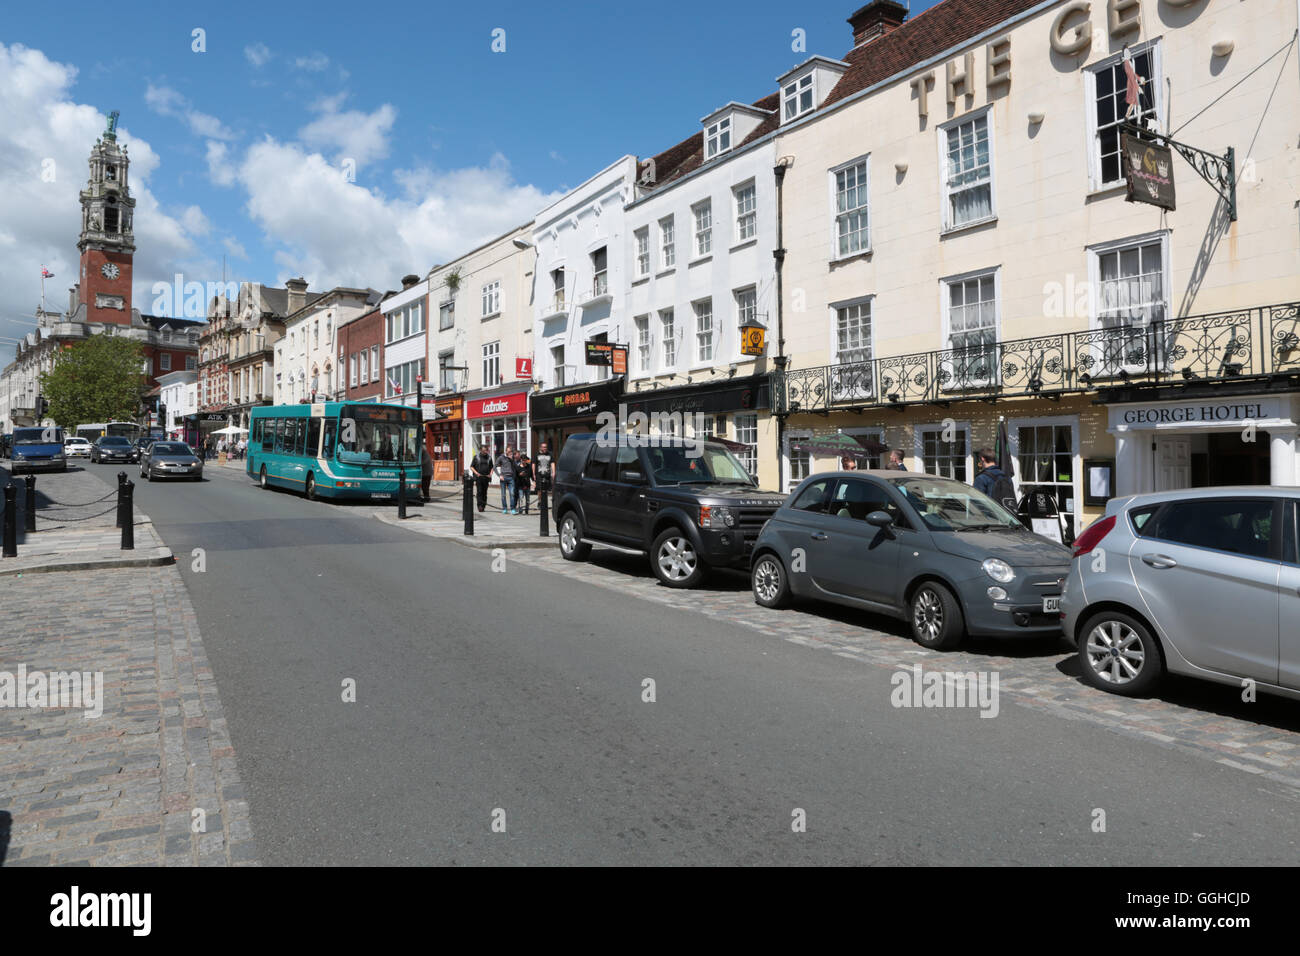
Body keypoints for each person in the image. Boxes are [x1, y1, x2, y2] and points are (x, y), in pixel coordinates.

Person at [495, 444, 517, 514]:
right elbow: (494, 467)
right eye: (508, 451)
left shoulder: (512, 458)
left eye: (511, 451)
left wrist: (512, 460)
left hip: (511, 478)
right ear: (506, 451)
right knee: (503, 494)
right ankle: (504, 508)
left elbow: (515, 467)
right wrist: (499, 475)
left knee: (512, 493)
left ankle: (512, 508)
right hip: (503, 478)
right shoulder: (501, 457)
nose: (510, 453)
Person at [470, 445, 493, 512]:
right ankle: (479, 506)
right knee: (479, 492)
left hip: (486, 477)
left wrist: (490, 474)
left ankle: (483, 505)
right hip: (479, 477)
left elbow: (492, 467)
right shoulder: (476, 457)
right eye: (484, 451)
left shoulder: (489, 458)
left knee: (484, 492)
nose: (485, 452)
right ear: (481, 451)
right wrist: (476, 473)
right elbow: (471, 467)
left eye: (486, 450)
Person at [515, 451, 534, 516]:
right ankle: (520, 510)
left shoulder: (529, 467)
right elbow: (515, 477)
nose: (524, 461)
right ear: (521, 460)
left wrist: (534, 482)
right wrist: (519, 474)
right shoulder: (518, 467)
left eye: (525, 460)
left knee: (528, 499)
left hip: (527, 485)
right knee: (521, 498)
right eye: (523, 460)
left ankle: (527, 510)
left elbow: (531, 475)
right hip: (520, 485)